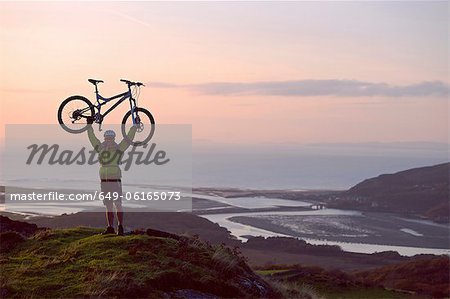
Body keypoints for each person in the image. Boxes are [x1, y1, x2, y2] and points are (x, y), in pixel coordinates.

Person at [86, 119, 137, 235]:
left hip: (115, 181)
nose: (109, 141)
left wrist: (134, 127)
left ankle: (120, 227)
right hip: (104, 181)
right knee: (108, 205)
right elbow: (92, 138)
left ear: (114, 139)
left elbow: (128, 140)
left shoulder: (119, 148)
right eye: (107, 139)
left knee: (118, 204)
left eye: (111, 139)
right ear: (104, 139)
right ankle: (110, 228)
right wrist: (89, 126)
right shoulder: (100, 148)